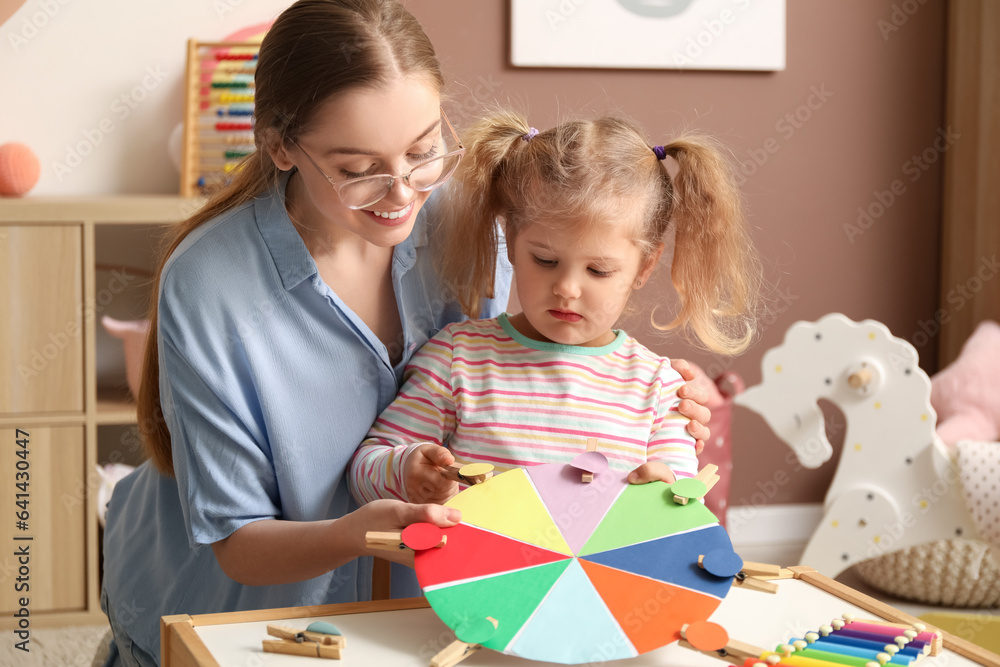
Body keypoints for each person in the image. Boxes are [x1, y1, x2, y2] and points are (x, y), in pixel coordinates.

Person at [100, 2, 712, 665]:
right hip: (233, 611)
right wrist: (352, 534)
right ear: (280, 145)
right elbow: (237, 541)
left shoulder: (461, 219)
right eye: (359, 167)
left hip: (414, 611)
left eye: (423, 150)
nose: (401, 192)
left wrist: (653, 388)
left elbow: (514, 368)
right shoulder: (210, 280)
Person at [350, 110, 761, 506]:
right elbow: (365, 472)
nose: (566, 288)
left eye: (598, 270)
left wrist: (663, 498)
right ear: (510, 240)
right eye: (545, 261)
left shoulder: (659, 389)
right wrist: (406, 472)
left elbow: (682, 513)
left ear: (645, 265)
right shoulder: (458, 358)